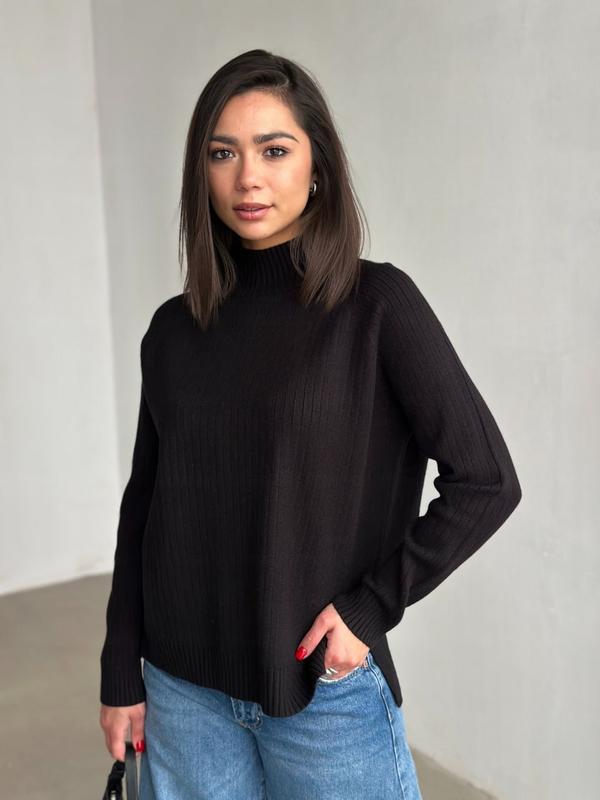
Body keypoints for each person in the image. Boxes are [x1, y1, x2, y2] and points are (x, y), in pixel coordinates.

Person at [99, 49, 522, 799]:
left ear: (317, 165)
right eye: (223, 153)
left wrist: (368, 609)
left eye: (274, 150)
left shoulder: (376, 307)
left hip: (318, 695)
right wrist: (119, 671)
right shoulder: (173, 330)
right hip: (181, 694)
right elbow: (146, 506)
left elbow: (486, 480)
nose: (247, 178)